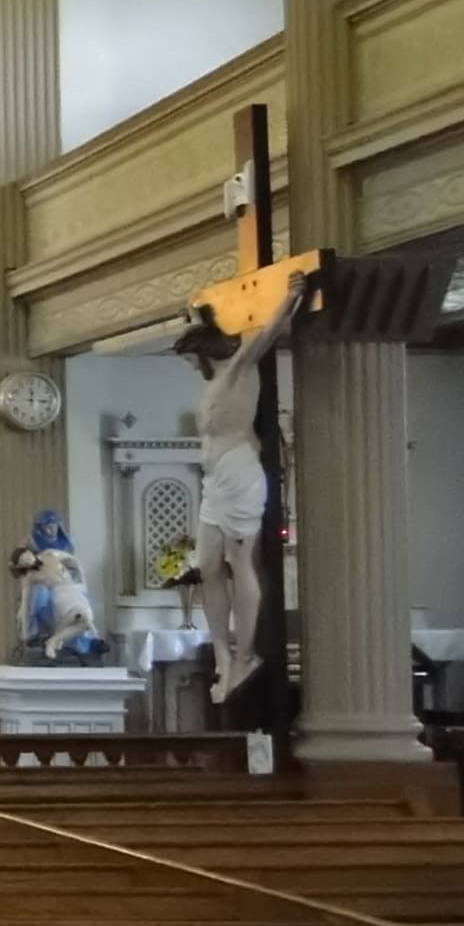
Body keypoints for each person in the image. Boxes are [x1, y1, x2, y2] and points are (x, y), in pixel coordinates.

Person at [176, 272, 305, 709]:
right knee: (207, 565)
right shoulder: (213, 384)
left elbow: (265, 334)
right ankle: (222, 654)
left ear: (204, 353)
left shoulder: (239, 371)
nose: (190, 366)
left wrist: (290, 296)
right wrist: (196, 309)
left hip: (240, 475)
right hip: (215, 482)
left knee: (239, 561)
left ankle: (245, 653)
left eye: (191, 358)